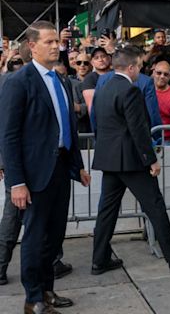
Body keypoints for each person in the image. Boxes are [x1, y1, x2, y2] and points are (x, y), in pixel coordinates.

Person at [0, 21, 91, 314]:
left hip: (60, 170)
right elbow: (9, 135)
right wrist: (16, 182)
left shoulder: (61, 80)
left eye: (57, 42)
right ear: (32, 46)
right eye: (49, 42)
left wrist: (77, 167)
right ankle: (33, 299)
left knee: (54, 236)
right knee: (35, 237)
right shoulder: (19, 81)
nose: (56, 46)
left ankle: (48, 290)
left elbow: (67, 127)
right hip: (33, 176)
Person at [90, 46, 170, 275]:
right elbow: (139, 129)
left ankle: (99, 259)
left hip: (109, 159)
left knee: (107, 211)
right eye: (140, 67)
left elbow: (97, 122)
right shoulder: (130, 90)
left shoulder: (102, 87)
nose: (141, 71)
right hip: (131, 160)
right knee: (154, 205)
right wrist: (151, 159)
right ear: (131, 67)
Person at [82, 47, 112, 115]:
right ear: (92, 62)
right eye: (96, 58)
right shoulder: (90, 79)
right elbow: (91, 106)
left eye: (103, 56)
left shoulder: (117, 74)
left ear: (109, 58)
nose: (100, 60)